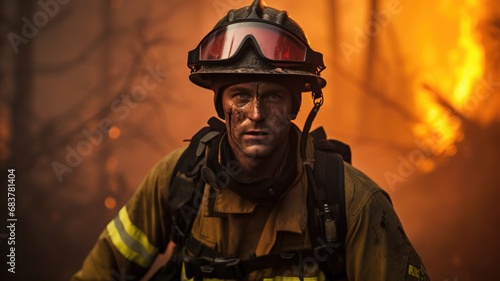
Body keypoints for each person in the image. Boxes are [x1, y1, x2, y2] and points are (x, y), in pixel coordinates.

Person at [72, 0, 430, 280]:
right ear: (221, 103)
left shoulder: (351, 203)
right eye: (240, 95)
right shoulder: (179, 178)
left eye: (273, 96)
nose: (256, 113)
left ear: (294, 105)